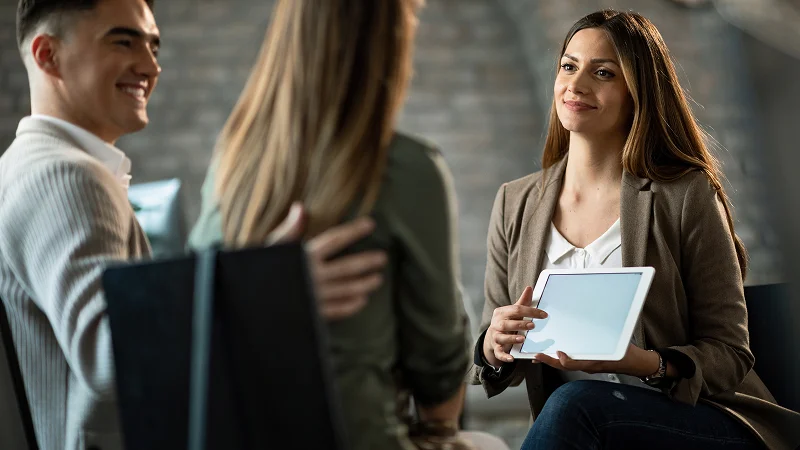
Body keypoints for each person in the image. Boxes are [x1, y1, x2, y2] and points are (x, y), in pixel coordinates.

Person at [0, 1, 388, 449]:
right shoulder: (63, 175)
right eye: (123, 41)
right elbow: (115, 355)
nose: (150, 66)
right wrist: (271, 286)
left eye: (154, 45)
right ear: (48, 54)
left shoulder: (25, 166)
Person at [468, 9, 800, 450]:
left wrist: (642, 363)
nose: (576, 84)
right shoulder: (515, 201)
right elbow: (498, 344)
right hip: (585, 427)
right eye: (569, 66)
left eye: (602, 72)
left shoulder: (686, 194)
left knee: (575, 402)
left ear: (637, 93)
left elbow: (730, 354)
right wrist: (494, 344)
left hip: (699, 420)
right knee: (575, 404)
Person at [188, 1, 511, 449]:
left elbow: (192, 303)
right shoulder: (405, 168)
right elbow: (438, 371)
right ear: (388, 38)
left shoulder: (233, 161)